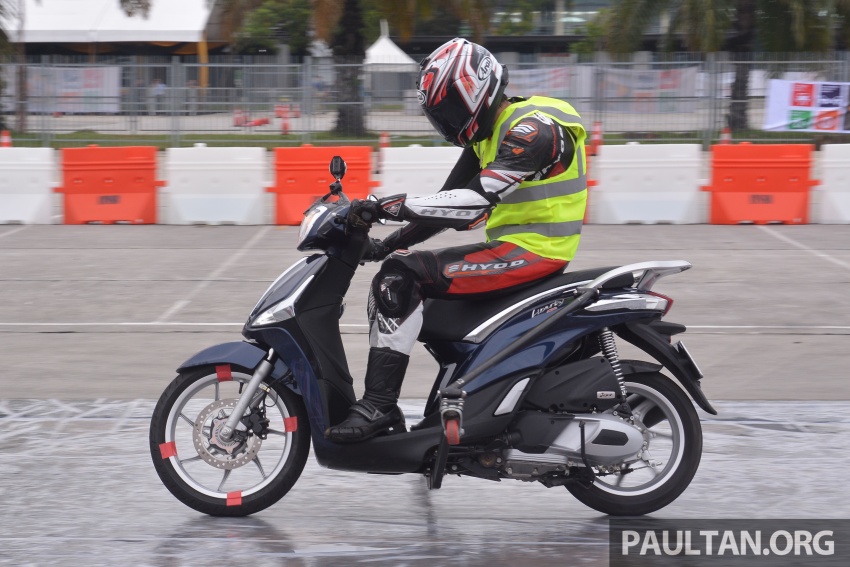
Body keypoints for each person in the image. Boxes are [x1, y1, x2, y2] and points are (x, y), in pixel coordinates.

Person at [325, 38, 589, 443]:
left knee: (397, 280)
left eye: (449, 108)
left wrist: (384, 206)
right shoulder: (489, 134)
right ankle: (462, 398)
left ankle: (379, 405)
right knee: (401, 286)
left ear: (476, 91)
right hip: (511, 249)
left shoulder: (530, 128)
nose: (445, 120)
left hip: (534, 252)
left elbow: (474, 200)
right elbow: (445, 206)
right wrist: (385, 244)